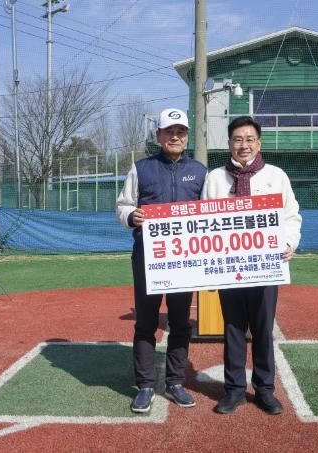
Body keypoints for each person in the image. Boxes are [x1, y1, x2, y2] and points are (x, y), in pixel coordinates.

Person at [201, 115, 301, 415]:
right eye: (237, 139)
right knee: (233, 329)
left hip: (266, 267)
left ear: (259, 143)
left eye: (249, 139)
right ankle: (234, 390)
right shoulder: (215, 178)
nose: (243, 145)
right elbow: (204, 221)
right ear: (229, 143)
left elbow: (291, 216)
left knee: (262, 329)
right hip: (229, 267)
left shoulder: (276, 176)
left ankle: (265, 389)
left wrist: (288, 244)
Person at [116, 108, 207, 413]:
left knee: (180, 322)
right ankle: (145, 385)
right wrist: (132, 215)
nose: (175, 137)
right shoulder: (141, 169)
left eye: (180, 132)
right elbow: (123, 205)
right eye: (169, 131)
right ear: (159, 136)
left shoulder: (201, 172)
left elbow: (210, 212)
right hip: (148, 258)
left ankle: (175, 382)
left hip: (185, 260)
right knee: (146, 322)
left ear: (187, 136)